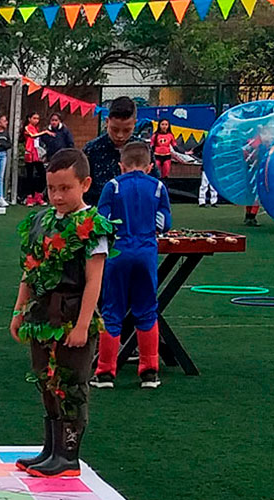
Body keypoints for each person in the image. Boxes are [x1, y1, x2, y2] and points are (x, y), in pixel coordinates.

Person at [9, 148, 112, 479]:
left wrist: (82, 325)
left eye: (65, 188)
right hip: (41, 317)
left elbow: (94, 280)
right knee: (45, 379)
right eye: (52, 188)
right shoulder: (41, 221)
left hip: (72, 315)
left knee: (71, 383)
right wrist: (19, 311)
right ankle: (51, 449)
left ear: (85, 184)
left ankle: (68, 455)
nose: (57, 196)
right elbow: (30, 271)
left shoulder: (93, 226)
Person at [93, 143, 171, 390]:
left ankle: (105, 373)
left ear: (121, 166)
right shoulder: (158, 187)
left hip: (119, 252)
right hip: (146, 252)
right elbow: (164, 223)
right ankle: (150, 373)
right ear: (150, 166)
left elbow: (102, 221)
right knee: (147, 310)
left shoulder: (112, 186)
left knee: (112, 311)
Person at [83, 96, 146, 206]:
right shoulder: (91, 149)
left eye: (126, 130)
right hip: (98, 210)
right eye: (114, 129)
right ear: (107, 121)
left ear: (135, 124)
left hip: (133, 209)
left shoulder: (142, 149)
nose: (120, 135)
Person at [23, 112, 54, 206]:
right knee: (30, 176)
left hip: (37, 154)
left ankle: (38, 195)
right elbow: (33, 135)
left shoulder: (36, 128)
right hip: (30, 154)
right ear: (29, 119)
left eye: (37, 118)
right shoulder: (27, 127)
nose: (36, 120)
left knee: (42, 175)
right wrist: (45, 132)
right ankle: (29, 197)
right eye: (34, 118)